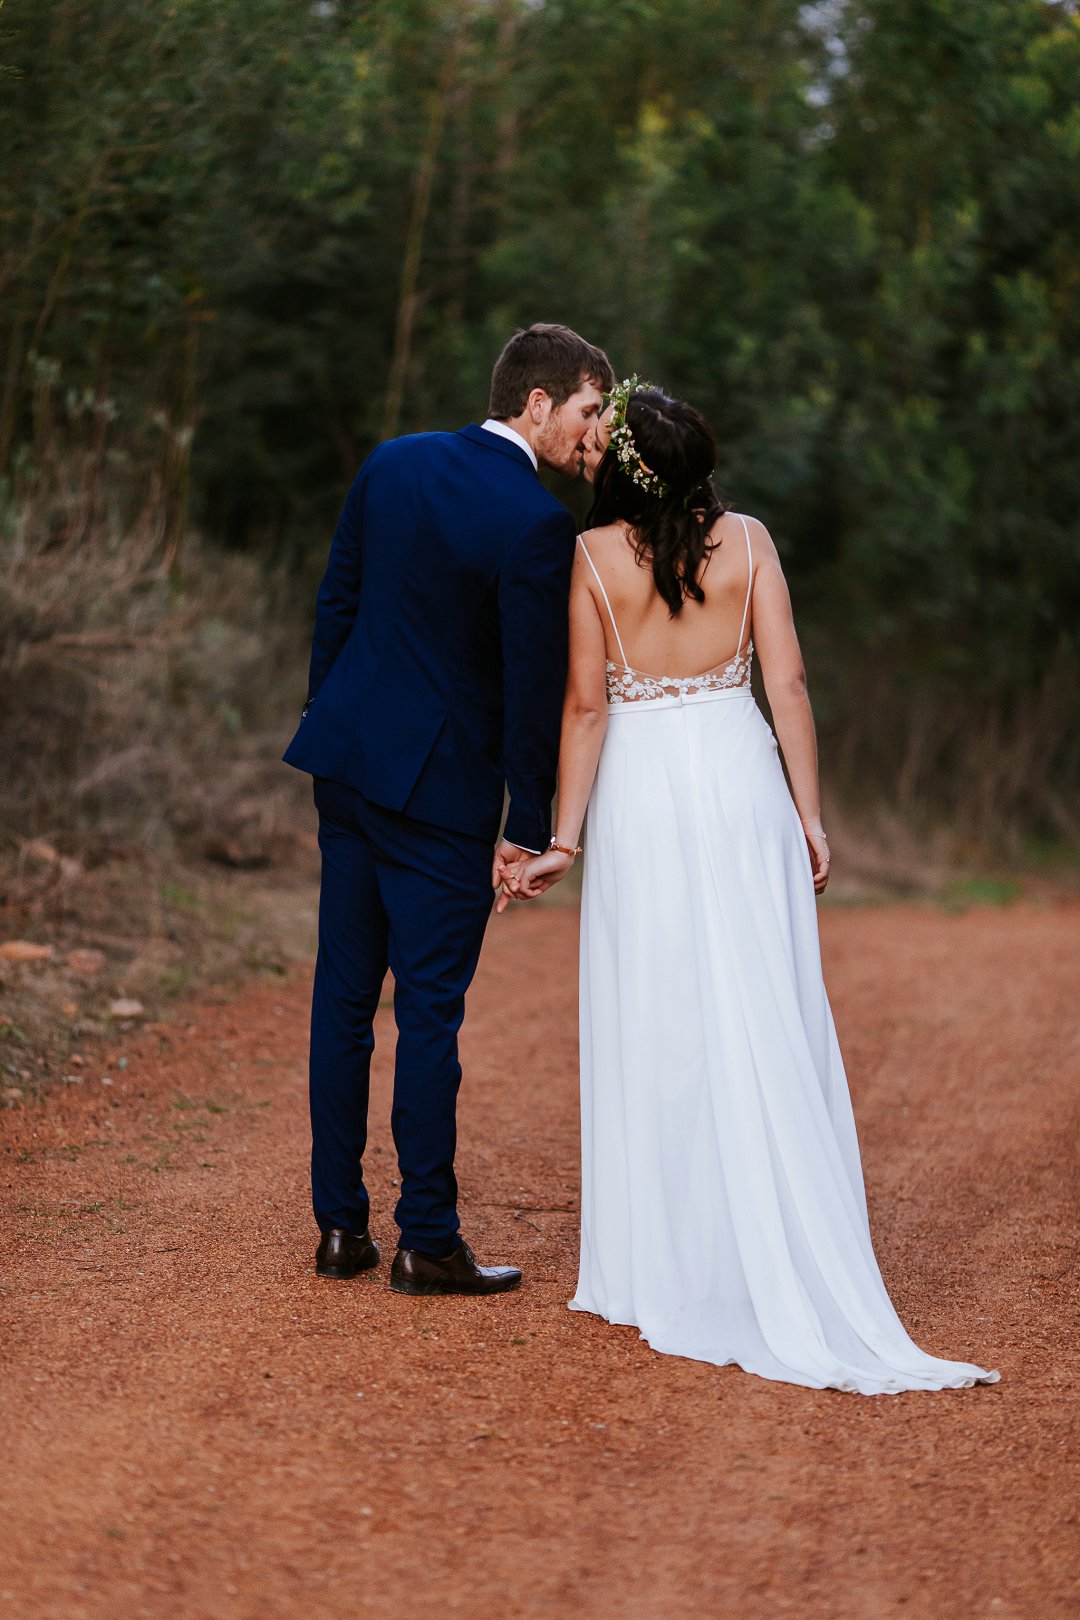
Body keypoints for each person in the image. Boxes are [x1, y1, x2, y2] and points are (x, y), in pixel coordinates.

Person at [501, 379, 999, 1393]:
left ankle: (660, 1256)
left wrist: (562, 835)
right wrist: (809, 815)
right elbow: (791, 685)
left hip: (641, 796)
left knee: (660, 1012)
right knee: (763, 1005)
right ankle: (774, 1230)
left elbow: (586, 711)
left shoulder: (589, 558)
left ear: (625, 469)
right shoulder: (754, 541)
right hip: (740, 781)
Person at [284, 324, 614, 1295]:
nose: (591, 433)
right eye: (588, 411)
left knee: (343, 1003)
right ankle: (427, 1237)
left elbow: (335, 606)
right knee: (429, 1015)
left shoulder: (392, 465)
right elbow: (528, 684)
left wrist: (326, 717)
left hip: (346, 768)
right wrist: (526, 824)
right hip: (439, 800)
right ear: (537, 403)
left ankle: (340, 1229)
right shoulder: (535, 521)